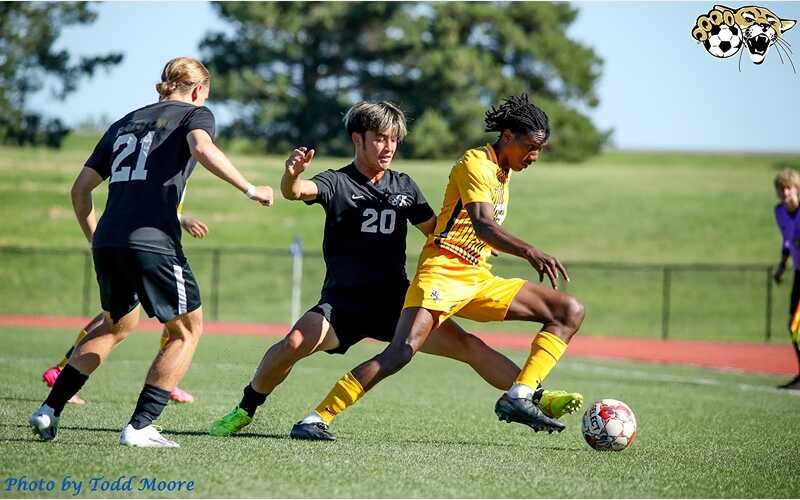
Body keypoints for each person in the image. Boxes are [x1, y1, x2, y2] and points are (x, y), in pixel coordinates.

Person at [209, 101, 582, 440]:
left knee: (469, 347)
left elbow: (438, 230)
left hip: (396, 299)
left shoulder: (404, 186)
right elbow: (296, 192)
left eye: (393, 140)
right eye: (380, 139)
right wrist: (290, 176)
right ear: (358, 138)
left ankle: (534, 397)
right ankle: (245, 409)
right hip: (344, 304)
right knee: (293, 344)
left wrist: (472, 246)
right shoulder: (336, 182)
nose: (388, 147)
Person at [29, 56, 273, 447]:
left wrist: (96, 238)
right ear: (197, 90)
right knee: (186, 331)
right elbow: (202, 148)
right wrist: (250, 188)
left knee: (116, 324)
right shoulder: (196, 115)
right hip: (153, 241)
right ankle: (140, 426)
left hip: (109, 238)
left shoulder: (125, 121)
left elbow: (80, 190)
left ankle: (48, 410)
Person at [41, 211, 209, 405]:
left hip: (132, 240)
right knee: (171, 315)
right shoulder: (170, 179)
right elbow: (142, 201)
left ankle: (59, 377)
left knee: (118, 317)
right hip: (147, 246)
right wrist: (247, 189)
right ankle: (163, 386)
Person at [772, 168, 800, 390]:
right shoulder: (780, 212)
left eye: (788, 187)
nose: (785, 192)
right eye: (781, 188)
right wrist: (782, 266)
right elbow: (787, 241)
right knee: (794, 325)